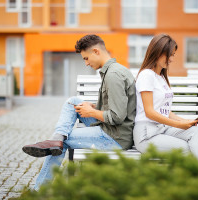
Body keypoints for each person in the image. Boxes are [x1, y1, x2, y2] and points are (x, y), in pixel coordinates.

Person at [22, 34, 136, 190]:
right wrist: (96, 106)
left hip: (115, 137)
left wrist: (90, 112)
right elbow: (118, 106)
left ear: (96, 51)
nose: (86, 63)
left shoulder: (113, 76)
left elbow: (117, 117)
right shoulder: (114, 70)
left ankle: (38, 191)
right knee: (73, 102)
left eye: (86, 58)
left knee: (64, 142)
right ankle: (58, 136)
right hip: (112, 129)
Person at [133, 33, 198, 160]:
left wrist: (184, 121)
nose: (171, 59)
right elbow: (149, 112)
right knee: (187, 148)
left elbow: (165, 111)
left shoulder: (161, 77)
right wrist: (178, 125)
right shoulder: (147, 75)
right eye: (169, 55)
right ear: (157, 52)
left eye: (173, 55)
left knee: (196, 132)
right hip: (147, 134)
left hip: (161, 128)